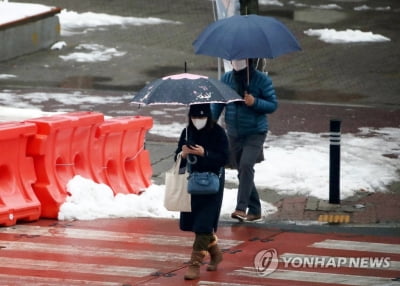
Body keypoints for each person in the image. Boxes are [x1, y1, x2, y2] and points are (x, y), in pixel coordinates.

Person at [212, 59, 278, 222]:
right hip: (234, 133)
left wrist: (255, 102)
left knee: (246, 165)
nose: (236, 62)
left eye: (240, 59)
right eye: (234, 60)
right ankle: (255, 209)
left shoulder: (261, 80)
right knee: (242, 170)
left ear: (249, 60)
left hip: (255, 132)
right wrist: (210, 122)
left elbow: (272, 105)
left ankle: (241, 208)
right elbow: (218, 103)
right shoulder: (226, 79)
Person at [174, 103, 229, 280]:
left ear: (208, 117)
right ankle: (216, 253)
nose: (198, 120)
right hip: (192, 184)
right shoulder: (187, 132)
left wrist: (205, 153)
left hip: (212, 185)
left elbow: (225, 158)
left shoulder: (218, 132)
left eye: (202, 117)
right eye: (195, 117)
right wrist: (182, 154)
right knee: (196, 225)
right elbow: (177, 159)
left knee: (204, 225)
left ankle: (194, 265)